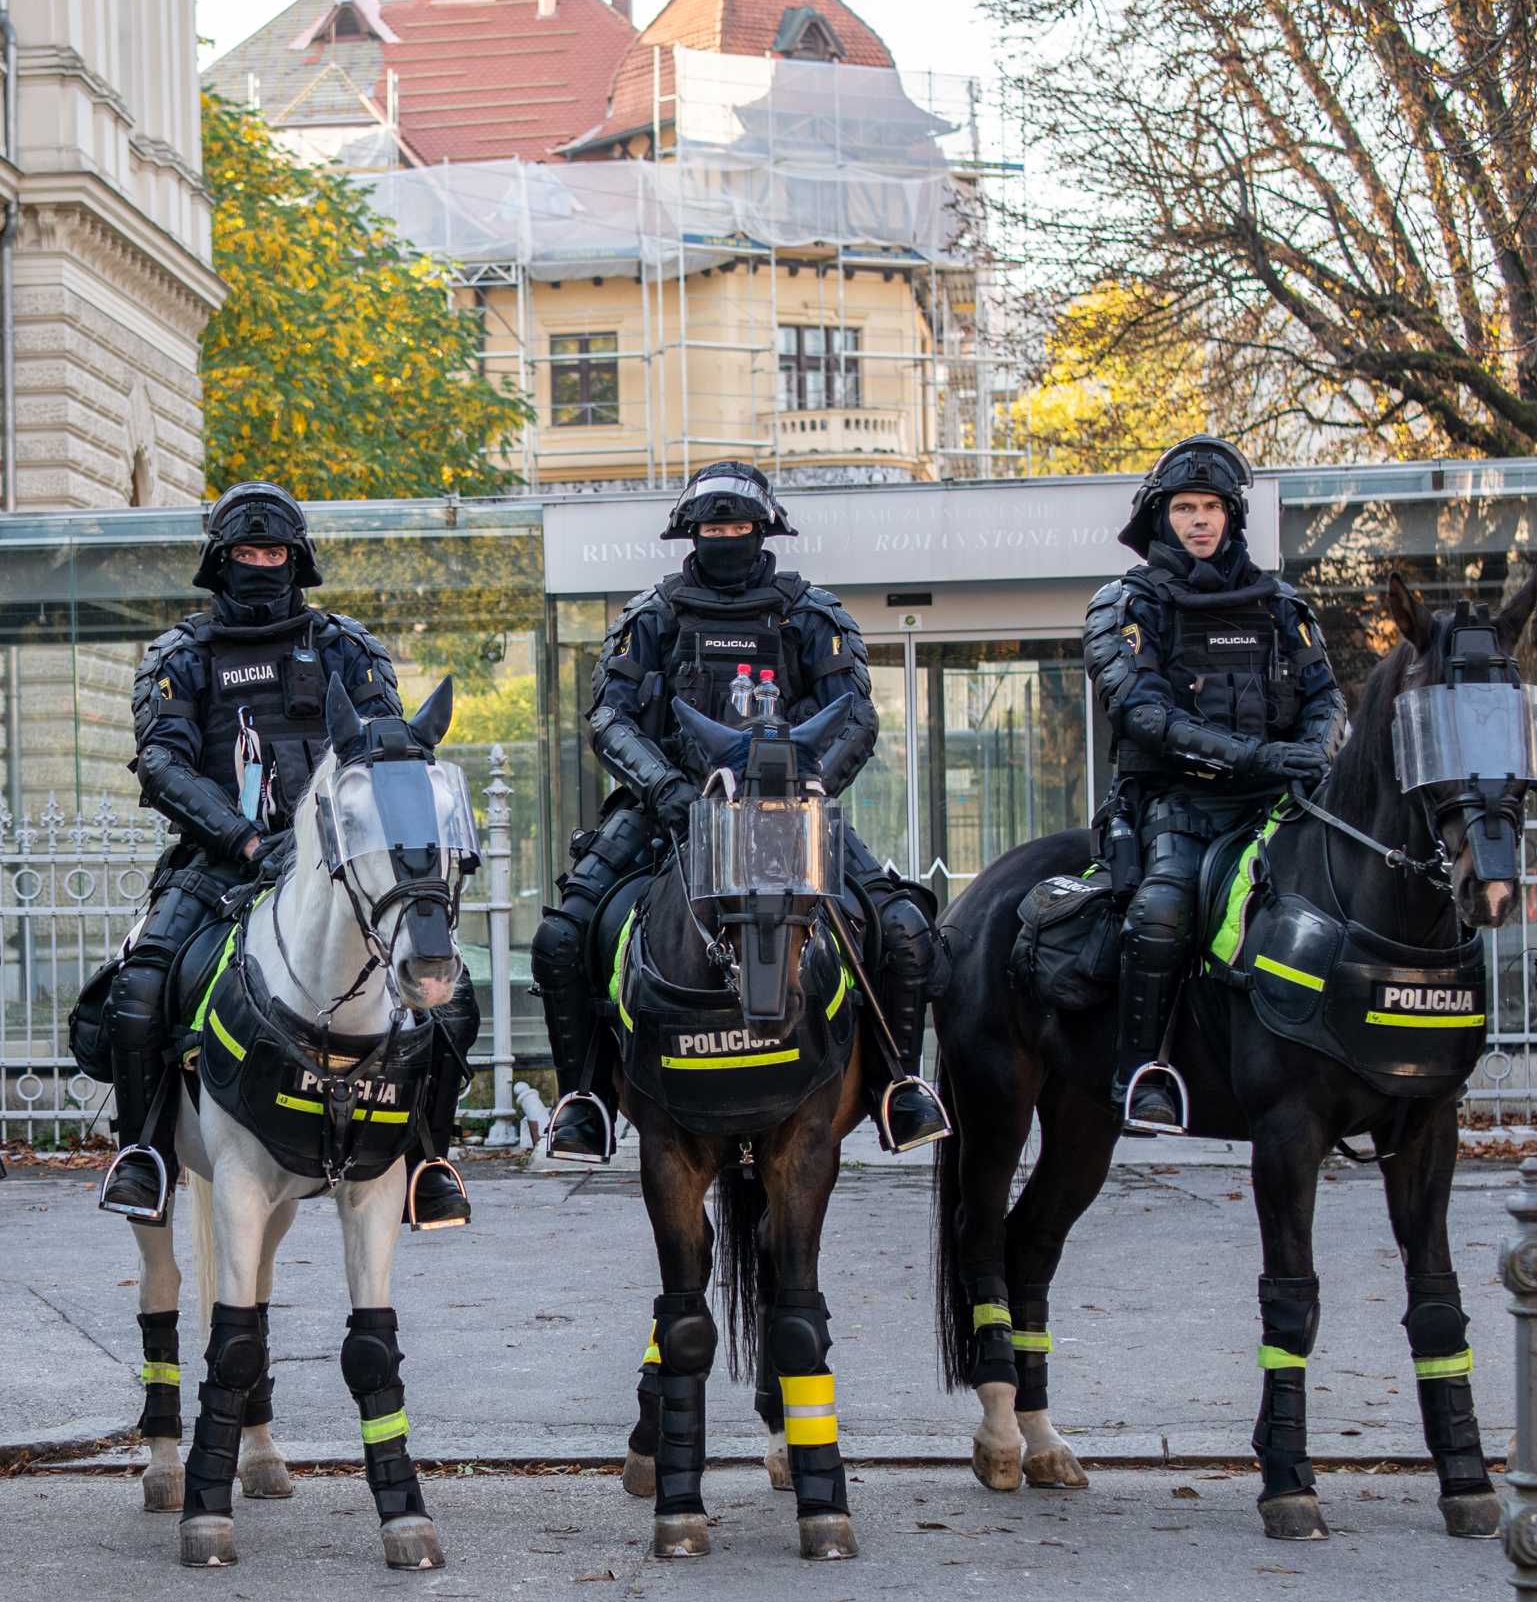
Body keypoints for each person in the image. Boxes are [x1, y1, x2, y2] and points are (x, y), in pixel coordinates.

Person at [528, 461, 948, 1166]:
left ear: (763, 530)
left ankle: (898, 1087)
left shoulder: (811, 614)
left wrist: (804, 787)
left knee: (904, 930)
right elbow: (609, 718)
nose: (725, 536)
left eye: (738, 525)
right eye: (712, 526)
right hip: (669, 810)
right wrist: (666, 789)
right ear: (689, 534)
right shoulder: (652, 616)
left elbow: (858, 720)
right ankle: (586, 1102)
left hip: (791, 815)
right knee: (563, 940)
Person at [96, 482, 475, 1226]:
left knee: (446, 997)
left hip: (339, 870)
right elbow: (164, 765)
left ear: (295, 560)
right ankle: (146, 1157)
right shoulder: (182, 656)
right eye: (246, 552)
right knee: (138, 995)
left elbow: (386, 757)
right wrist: (243, 839)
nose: (261, 564)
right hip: (222, 863)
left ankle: (429, 1154)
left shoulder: (348, 649)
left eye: (273, 551)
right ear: (221, 561)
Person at [1084, 435, 1344, 1135]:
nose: (1199, 521)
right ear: (1161, 517)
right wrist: (1252, 757)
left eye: (1211, 508)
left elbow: (1326, 698)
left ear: (1232, 517)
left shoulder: (1283, 604)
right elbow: (1143, 712)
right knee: (1162, 915)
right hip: (1178, 807)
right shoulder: (1126, 603)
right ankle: (1144, 1072)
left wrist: (1312, 753)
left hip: (1280, 806)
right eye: (1184, 508)